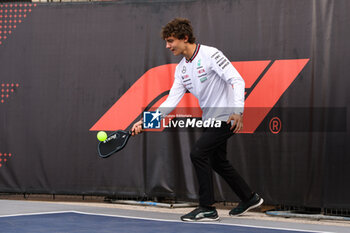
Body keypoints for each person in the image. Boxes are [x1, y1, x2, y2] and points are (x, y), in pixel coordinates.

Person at [132, 18, 263, 222]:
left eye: (171, 40)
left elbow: (237, 80)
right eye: (166, 42)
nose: (168, 46)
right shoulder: (181, 69)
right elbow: (170, 101)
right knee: (217, 161)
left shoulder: (211, 54)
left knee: (198, 153)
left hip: (227, 116)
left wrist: (238, 111)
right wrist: (146, 122)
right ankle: (249, 197)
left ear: (185, 38)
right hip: (210, 119)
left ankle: (207, 207)